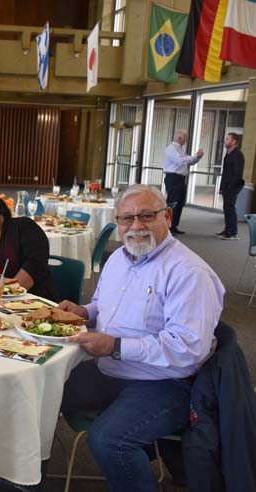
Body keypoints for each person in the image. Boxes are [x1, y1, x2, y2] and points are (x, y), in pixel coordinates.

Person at [57, 184, 224, 492]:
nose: (135, 226)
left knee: (110, 441)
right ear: (117, 222)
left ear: (168, 216)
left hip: (166, 382)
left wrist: (115, 346)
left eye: (146, 216)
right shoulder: (120, 258)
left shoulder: (189, 272)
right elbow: (106, 305)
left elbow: (189, 348)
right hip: (111, 369)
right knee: (44, 391)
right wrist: (84, 312)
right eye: (126, 219)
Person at [163, 129, 203, 235]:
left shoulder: (180, 149)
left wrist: (197, 158)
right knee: (173, 203)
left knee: (179, 203)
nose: (186, 139)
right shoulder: (171, 149)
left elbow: (188, 162)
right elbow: (181, 161)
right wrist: (195, 156)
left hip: (179, 179)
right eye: (185, 137)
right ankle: (167, 226)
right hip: (173, 178)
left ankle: (174, 225)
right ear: (180, 138)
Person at [215, 132, 245, 240]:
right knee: (226, 208)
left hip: (233, 186)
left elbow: (237, 174)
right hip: (227, 186)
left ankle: (233, 233)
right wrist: (222, 187)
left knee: (230, 208)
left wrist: (229, 187)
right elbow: (225, 173)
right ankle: (228, 229)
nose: (225, 141)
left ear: (234, 142)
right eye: (226, 139)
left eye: (228, 139)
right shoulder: (228, 155)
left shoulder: (238, 155)